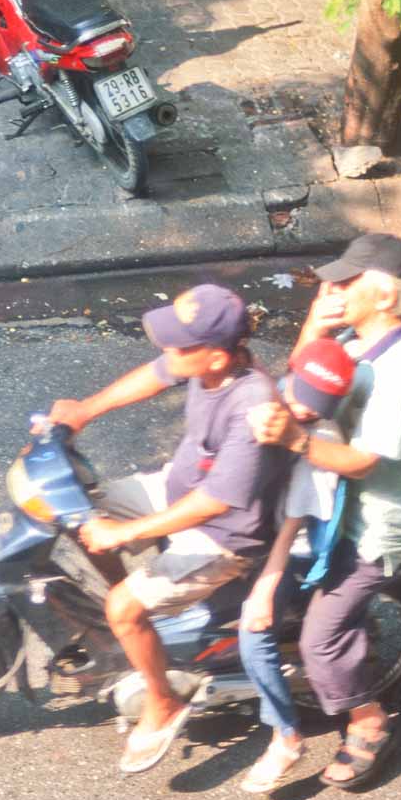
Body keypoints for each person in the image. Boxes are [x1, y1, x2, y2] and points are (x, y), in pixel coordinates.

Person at [45, 283, 291, 774]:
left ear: (217, 356)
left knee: (123, 603)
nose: (167, 351)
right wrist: (85, 410)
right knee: (79, 505)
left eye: (180, 344)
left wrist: (124, 534)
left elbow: (215, 503)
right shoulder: (206, 364)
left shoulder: (251, 405)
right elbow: (155, 375)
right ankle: (135, 624)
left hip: (226, 534)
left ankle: (163, 702)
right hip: (179, 488)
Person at [246, 232, 401, 790]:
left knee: (320, 640)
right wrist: (315, 324)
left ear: (382, 296)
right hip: (330, 498)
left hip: (369, 521)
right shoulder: (357, 338)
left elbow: (364, 461)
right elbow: (307, 378)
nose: (333, 287)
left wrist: (295, 442)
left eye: (347, 282)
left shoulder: (400, 368)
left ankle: (369, 721)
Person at [235, 338, 357, 793]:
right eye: (299, 399)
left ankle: (285, 734)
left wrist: (265, 590)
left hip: (291, 545)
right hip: (250, 524)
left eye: (317, 407)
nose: (306, 412)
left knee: (253, 632)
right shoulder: (267, 392)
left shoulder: (316, 439)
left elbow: (292, 525)